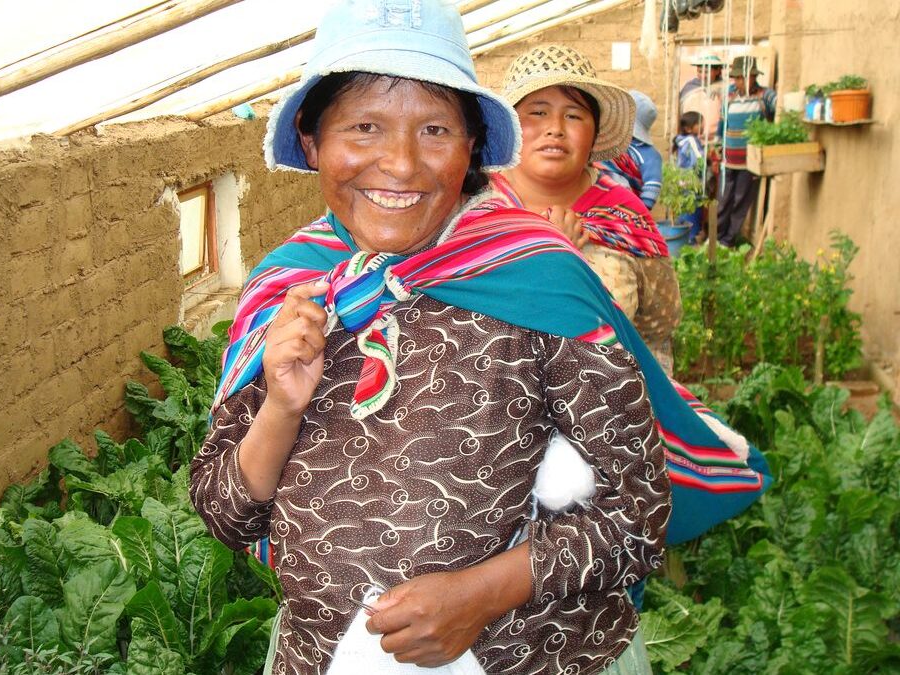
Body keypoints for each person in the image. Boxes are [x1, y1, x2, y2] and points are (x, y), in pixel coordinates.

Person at [191, 3, 770, 674]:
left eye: (435, 129)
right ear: (313, 138)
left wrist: (483, 592)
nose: (401, 164)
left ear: (472, 146)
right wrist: (280, 408)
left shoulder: (538, 281)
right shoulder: (290, 291)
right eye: (364, 126)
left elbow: (638, 511)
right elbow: (224, 514)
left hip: (541, 655)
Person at [488, 44, 681, 374]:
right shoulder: (472, 208)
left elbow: (659, 326)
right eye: (538, 111)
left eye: (574, 115)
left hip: (609, 408)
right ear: (511, 126)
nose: (556, 128)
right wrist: (548, 257)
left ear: (594, 134)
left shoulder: (623, 216)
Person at [717, 55, 777, 247]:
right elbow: (721, 124)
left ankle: (728, 240)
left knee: (741, 200)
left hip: (749, 162)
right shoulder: (729, 95)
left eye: (744, 77)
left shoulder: (764, 96)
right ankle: (717, 237)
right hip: (728, 159)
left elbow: (780, 110)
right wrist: (718, 146)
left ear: (753, 77)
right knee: (724, 199)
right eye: (737, 78)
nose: (739, 81)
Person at [595, 90, 663, 210]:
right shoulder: (608, 143)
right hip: (598, 203)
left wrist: (640, 211)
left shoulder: (650, 155)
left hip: (626, 209)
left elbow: (653, 185)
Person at [672, 111, 706, 244]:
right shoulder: (691, 140)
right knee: (692, 211)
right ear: (689, 128)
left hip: (682, 181)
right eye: (700, 123)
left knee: (685, 211)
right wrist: (709, 157)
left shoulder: (681, 140)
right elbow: (699, 160)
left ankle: (685, 240)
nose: (703, 126)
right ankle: (690, 241)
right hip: (691, 182)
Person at [679, 53, 726, 142]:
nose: (703, 75)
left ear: (718, 70)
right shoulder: (690, 87)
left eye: (707, 72)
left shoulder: (725, 88)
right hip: (693, 139)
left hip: (717, 140)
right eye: (700, 71)